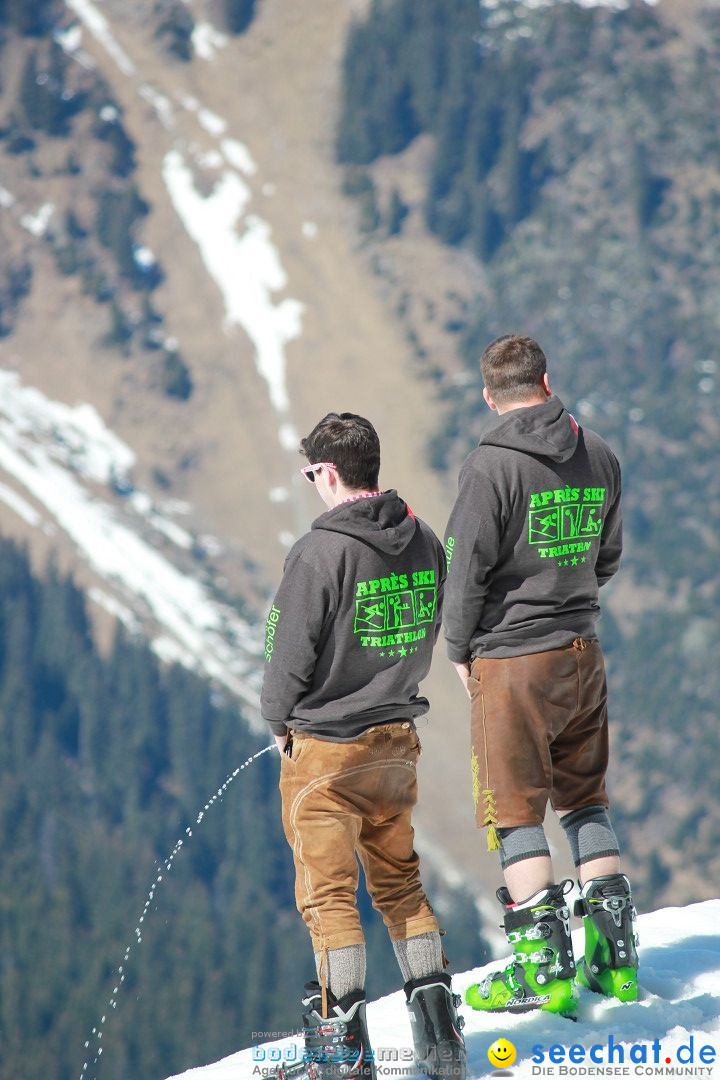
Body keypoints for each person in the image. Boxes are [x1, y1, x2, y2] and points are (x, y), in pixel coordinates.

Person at [261, 412, 466, 1079]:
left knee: (329, 895)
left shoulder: (318, 554)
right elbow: (434, 620)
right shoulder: (425, 539)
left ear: (326, 472)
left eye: (310, 473)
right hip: (396, 740)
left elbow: (285, 652)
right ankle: (441, 1041)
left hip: (326, 747)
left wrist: (277, 720)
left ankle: (342, 1054)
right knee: (400, 883)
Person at [443, 335, 638, 1018]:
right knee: (586, 797)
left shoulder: (488, 467)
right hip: (582, 651)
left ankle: (544, 970)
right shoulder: (602, 455)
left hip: (513, 659)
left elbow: (464, 572)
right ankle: (614, 962)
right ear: (547, 382)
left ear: (490, 396)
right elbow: (606, 554)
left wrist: (461, 649)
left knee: (514, 810)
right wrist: (572, 596)